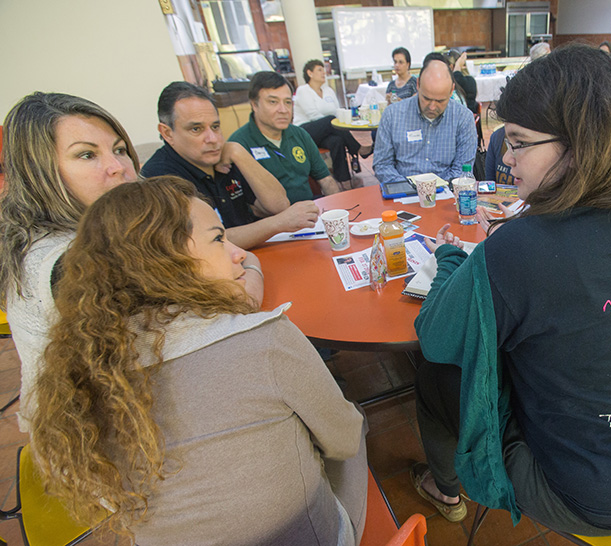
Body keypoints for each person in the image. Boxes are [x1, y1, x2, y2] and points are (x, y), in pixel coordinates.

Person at [410, 45, 611, 537]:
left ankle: (444, 488)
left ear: (580, 143)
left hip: (589, 493)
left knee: (436, 374)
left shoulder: (524, 247)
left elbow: (436, 335)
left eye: (519, 142)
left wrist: (449, 257)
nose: (505, 157)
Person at [29, 177, 368, 546]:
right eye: (219, 239)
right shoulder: (266, 338)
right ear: (166, 259)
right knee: (355, 424)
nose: (237, 252)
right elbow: (343, 440)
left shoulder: (84, 367)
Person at [0, 92, 143, 433]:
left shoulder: (55, 232)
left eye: (120, 150)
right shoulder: (68, 261)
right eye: (86, 154)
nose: (118, 168)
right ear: (39, 172)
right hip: (98, 447)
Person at [141, 82, 319, 248]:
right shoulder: (158, 179)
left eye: (216, 127)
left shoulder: (223, 155)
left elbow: (279, 205)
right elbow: (207, 242)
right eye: (196, 129)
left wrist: (239, 153)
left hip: (253, 252)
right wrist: (278, 223)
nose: (212, 139)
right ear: (167, 133)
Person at [229, 71, 341, 202]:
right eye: (273, 102)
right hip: (271, 219)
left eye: (288, 102)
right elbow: (247, 206)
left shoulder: (299, 135)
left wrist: (338, 210)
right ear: (254, 104)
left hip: (310, 211)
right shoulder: (239, 145)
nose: (283, 110)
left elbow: (325, 179)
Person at [373, 55, 476, 184]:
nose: (432, 107)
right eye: (426, 98)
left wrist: (434, 189)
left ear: (451, 91)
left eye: (440, 101)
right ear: (418, 85)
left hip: (446, 192)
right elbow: (382, 165)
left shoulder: (463, 118)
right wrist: (409, 187)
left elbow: (463, 169)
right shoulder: (392, 114)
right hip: (403, 191)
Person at [293, 59, 372, 182]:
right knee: (331, 120)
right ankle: (358, 148)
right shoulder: (303, 90)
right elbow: (313, 115)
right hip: (305, 131)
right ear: (310, 73)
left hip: (325, 131)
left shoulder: (328, 91)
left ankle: (344, 181)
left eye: (324, 70)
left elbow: (337, 111)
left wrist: (335, 124)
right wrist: (331, 125)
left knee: (337, 141)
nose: (323, 73)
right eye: (319, 70)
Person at [444, 50, 479, 115]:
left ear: (451, 67)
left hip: (465, 120)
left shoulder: (468, 81)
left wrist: (457, 66)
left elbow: (456, 79)